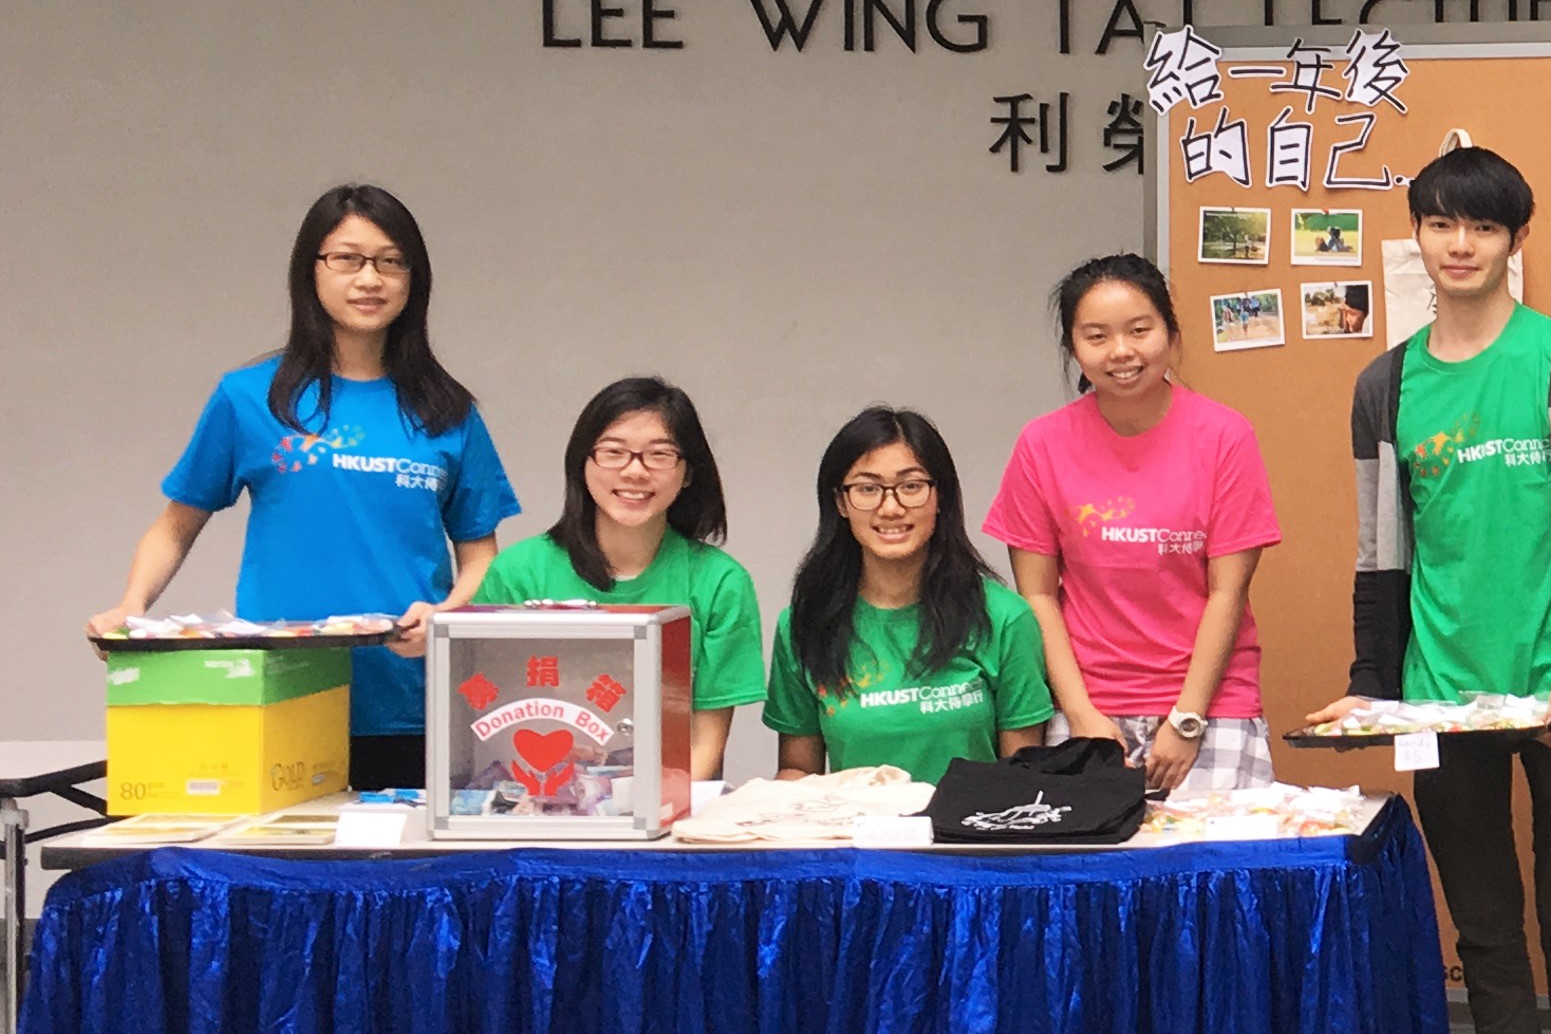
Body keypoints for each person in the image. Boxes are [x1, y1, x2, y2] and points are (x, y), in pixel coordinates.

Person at [1307, 144, 1551, 1034]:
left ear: (1515, 241)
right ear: (1417, 236)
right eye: (1442, 225)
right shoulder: (1386, 387)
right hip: (1439, 697)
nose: (1460, 245)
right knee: (1486, 922)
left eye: (1483, 228)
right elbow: (1380, 557)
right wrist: (1373, 683)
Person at [94, 184, 518, 792]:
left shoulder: (447, 410)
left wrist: (448, 618)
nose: (369, 279)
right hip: (279, 697)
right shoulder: (249, 398)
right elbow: (176, 525)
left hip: (410, 702)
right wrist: (131, 608)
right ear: (310, 272)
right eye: (347, 258)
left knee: (401, 882)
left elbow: (480, 555)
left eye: (390, 261)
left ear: (413, 280)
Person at [989, 253, 1284, 799]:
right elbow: (1038, 595)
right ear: (1074, 350)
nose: (1120, 352)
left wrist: (1187, 719)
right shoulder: (1041, 445)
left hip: (1211, 705)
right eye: (1096, 336)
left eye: (1139, 330)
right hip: (1087, 709)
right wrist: (1080, 716)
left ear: (1171, 336)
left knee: (1214, 878)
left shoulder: (1225, 436)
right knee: (1088, 881)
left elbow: (1228, 591)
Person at [467, 379, 764, 784]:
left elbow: (704, 741)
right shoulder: (518, 572)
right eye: (613, 452)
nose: (634, 470)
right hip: (532, 798)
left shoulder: (720, 582)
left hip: (667, 810)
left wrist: (651, 815)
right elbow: (483, 715)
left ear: (689, 472)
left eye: (659, 455)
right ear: (582, 463)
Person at [765, 409, 1055, 778]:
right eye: (867, 489)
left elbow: (1021, 777)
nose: (891, 507)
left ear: (940, 497)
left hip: (967, 832)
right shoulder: (804, 624)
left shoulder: (1004, 617)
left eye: (911, 486)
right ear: (839, 502)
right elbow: (797, 770)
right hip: (855, 833)